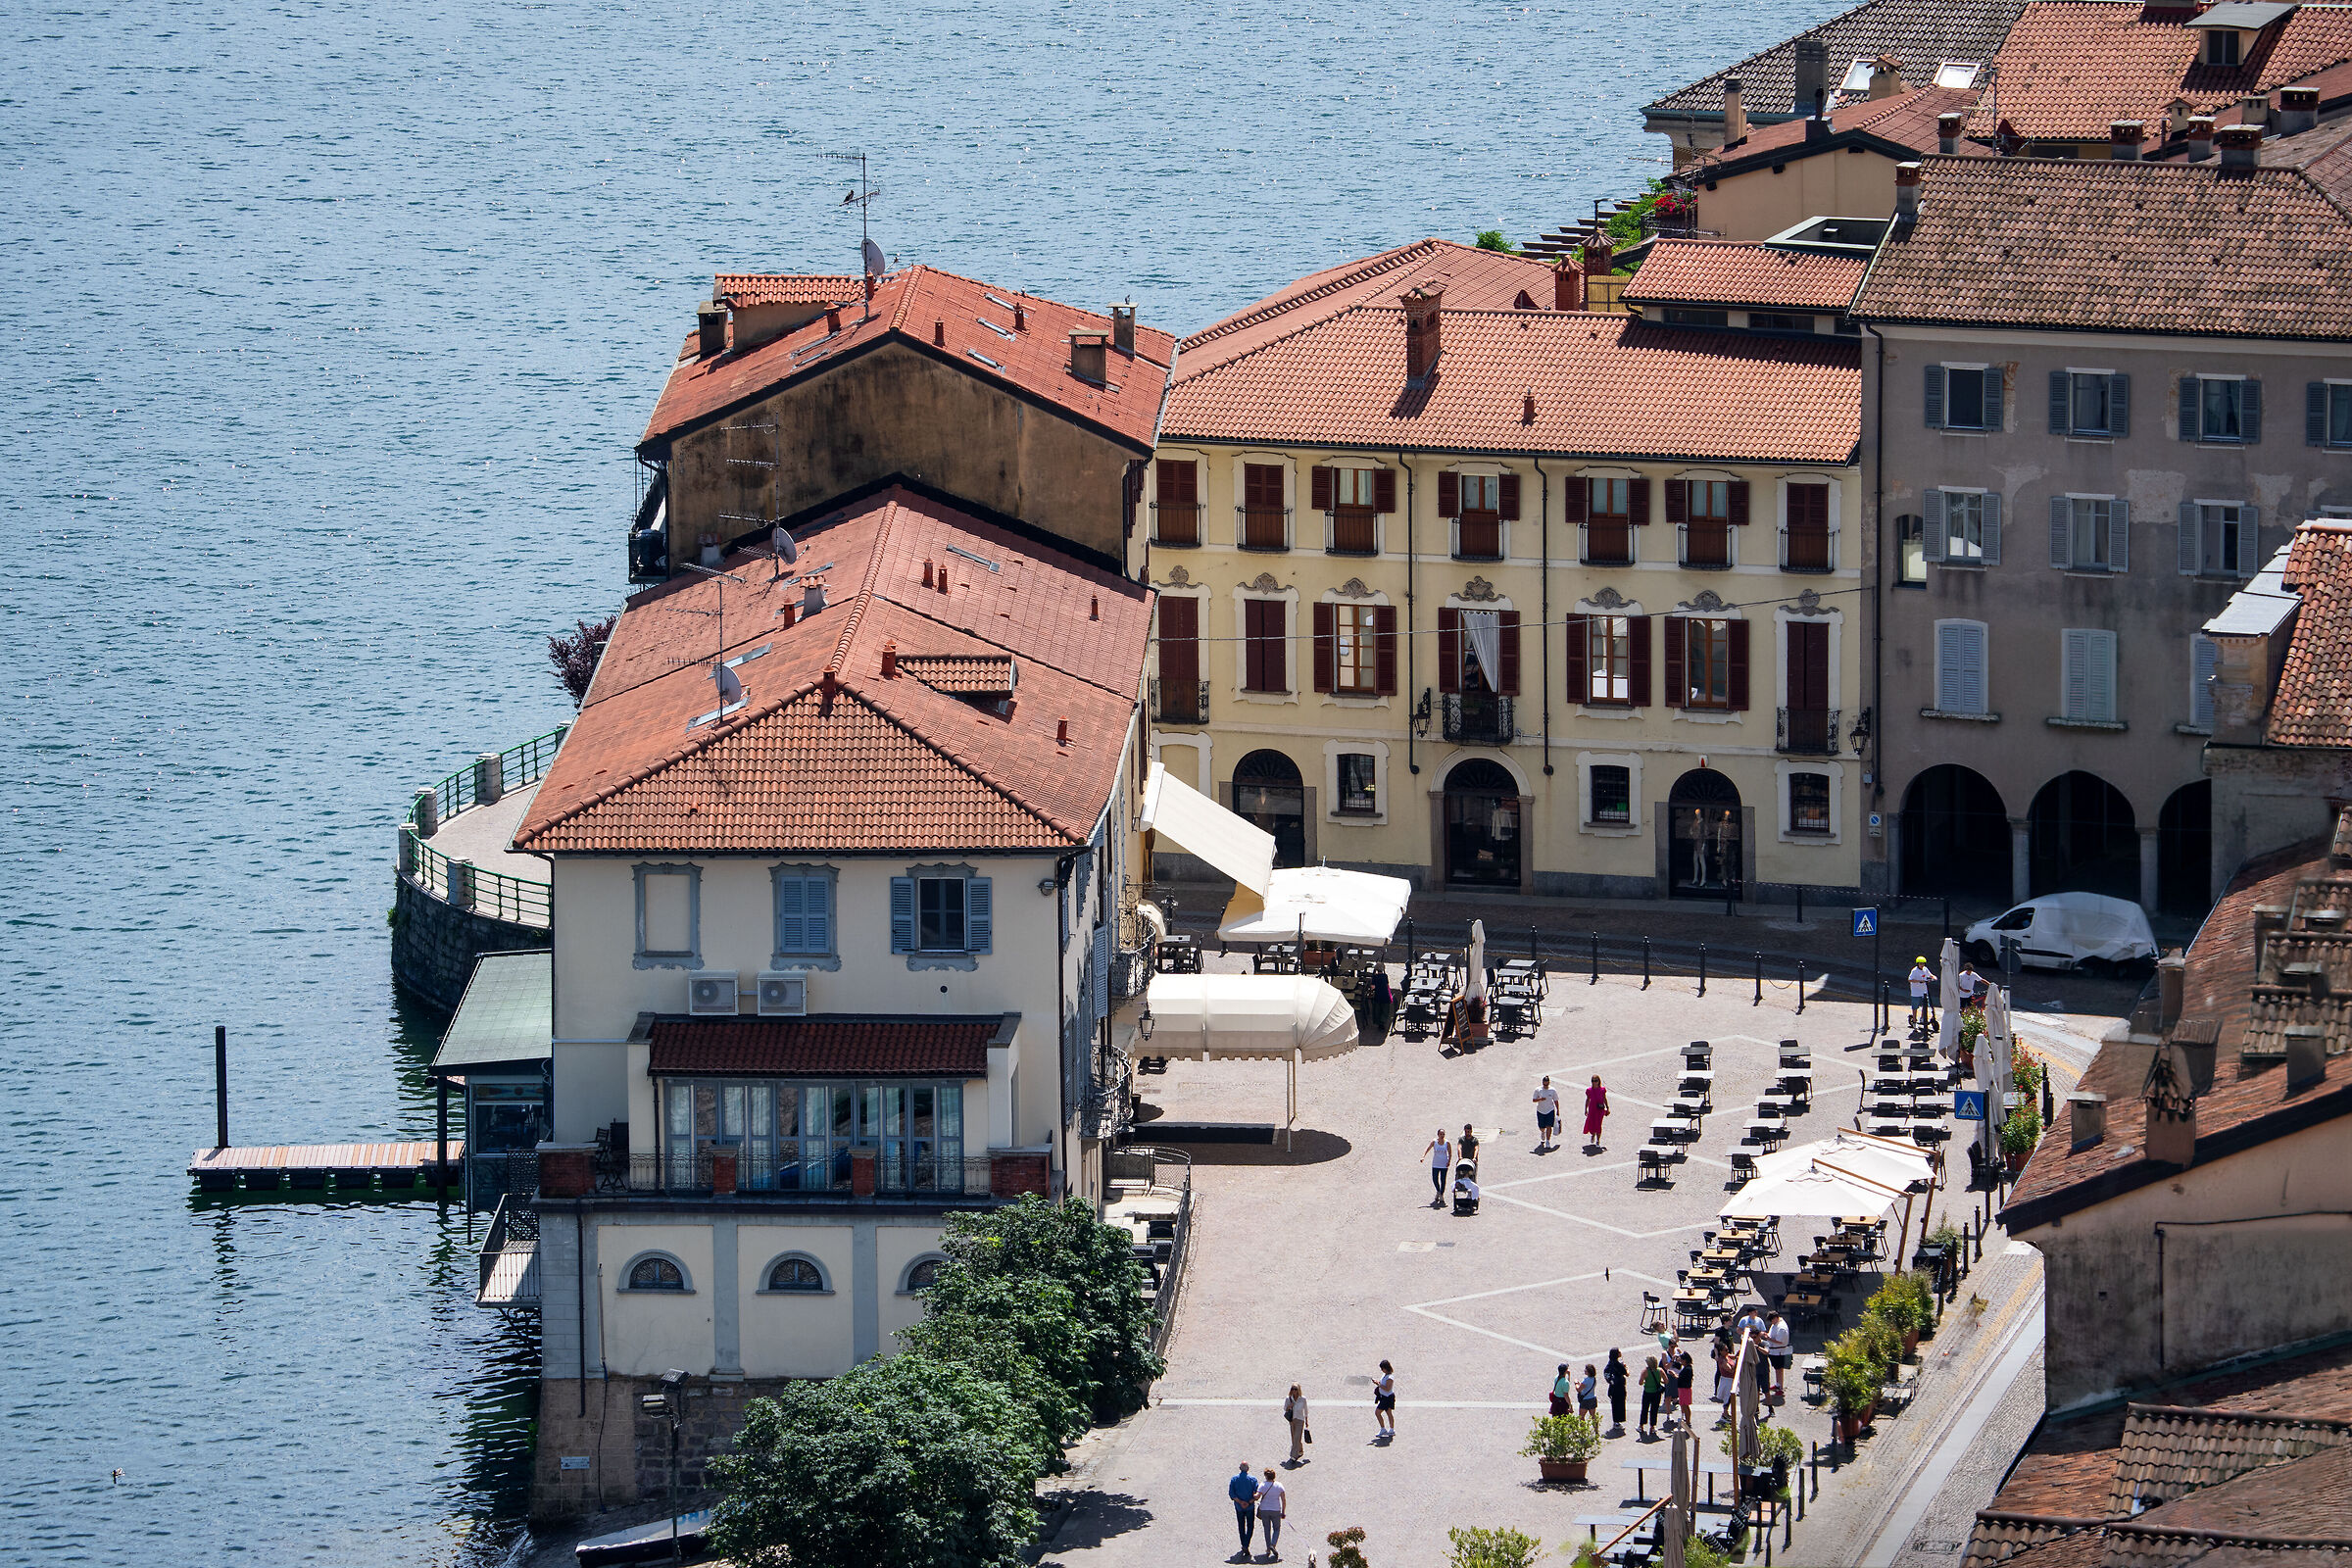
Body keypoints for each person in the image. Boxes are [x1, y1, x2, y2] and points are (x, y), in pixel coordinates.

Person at [1254, 1467, 1287, 1559]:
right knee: (1276, 1528)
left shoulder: (1263, 1485)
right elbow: (1283, 1500)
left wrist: (1252, 1494)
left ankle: (1268, 1549)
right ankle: (1273, 1544)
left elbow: (1257, 1497)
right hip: (1276, 1509)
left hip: (1264, 1509)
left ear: (1266, 1476)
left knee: (1267, 1529)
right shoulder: (1279, 1485)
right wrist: (1283, 1512)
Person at [1228, 1461, 1259, 1556]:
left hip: (1239, 1507)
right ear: (1248, 1469)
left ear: (1239, 1468)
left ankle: (1243, 1544)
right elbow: (1257, 1493)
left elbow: (1231, 1494)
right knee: (1250, 1526)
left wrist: (1241, 1502)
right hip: (1249, 1507)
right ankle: (1246, 1544)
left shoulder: (1234, 1479)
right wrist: (1248, 1502)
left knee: (1241, 1526)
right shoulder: (1253, 1479)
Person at [1765, 1309, 1793, 1400]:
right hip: (1774, 1351)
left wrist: (1768, 1338)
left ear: (1776, 1318)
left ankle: (1780, 1387)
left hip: (1779, 1352)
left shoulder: (1781, 1328)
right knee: (1777, 1369)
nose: (1771, 1322)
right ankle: (1777, 1384)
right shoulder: (1775, 1324)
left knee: (1779, 1369)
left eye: (1772, 1320)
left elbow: (1780, 1341)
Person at [1422, 1130, 1451, 1207]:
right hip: (1435, 1164)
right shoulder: (1434, 1142)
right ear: (1438, 1134)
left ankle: (1441, 1194)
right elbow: (1428, 1148)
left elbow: (1450, 1152)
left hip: (1443, 1164)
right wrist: (1423, 1156)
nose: (1442, 1135)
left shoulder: (1447, 1143)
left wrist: (1449, 1161)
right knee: (1435, 1179)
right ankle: (1438, 1190)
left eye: (1443, 1134)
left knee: (1443, 1179)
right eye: (1441, 1134)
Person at [1639, 1354, 1665, 1438]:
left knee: (1645, 1409)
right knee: (1654, 1410)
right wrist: (1659, 1381)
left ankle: (1641, 1426)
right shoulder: (1660, 1370)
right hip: (1656, 1393)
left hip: (1647, 1392)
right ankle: (1652, 1426)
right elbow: (1666, 1381)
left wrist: (1646, 1381)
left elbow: (1640, 1382)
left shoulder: (1645, 1371)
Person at [1604, 1348, 1630, 1435]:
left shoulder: (1609, 1365)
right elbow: (1627, 1373)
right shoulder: (1618, 1365)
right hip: (1620, 1387)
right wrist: (1626, 1367)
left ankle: (1616, 1421)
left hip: (1613, 1388)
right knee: (1620, 1404)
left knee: (1614, 1404)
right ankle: (1618, 1421)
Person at [1283, 1384, 1310, 1465]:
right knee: (1294, 1437)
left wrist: (1306, 1420)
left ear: (1299, 1390)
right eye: (1293, 1389)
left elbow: (1306, 1410)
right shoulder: (1288, 1399)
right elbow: (1285, 1408)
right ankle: (1300, 1450)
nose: (1294, 1391)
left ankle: (1293, 1456)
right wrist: (1289, 1406)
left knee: (1297, 1437)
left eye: (1295, 1389)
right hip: (1292, 1420)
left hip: (1300, 1420)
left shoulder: (1302, 1399)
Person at [1583, 1074, 1611, 1152]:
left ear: (1599, 1081)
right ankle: (1593, 1134)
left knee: (1598, 1124)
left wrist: (1607, 1107)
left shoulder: (1602, 1090)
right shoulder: (1589, 1090)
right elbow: (1587, 1100)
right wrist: (1585, 1109)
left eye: (1596, 1081)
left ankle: (1598, 1140)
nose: (1594, 1082)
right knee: (1592, 1123)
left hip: (1600, 1110)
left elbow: (1605, 1098)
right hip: (1592, 1109)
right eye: (1593, 1081)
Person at [1533, 1075, 1560, 1152]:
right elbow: (1534, 1100)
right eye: (1544, 1084)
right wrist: (1540, 1099)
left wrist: (1558, 1109)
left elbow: (1556, 1100)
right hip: (1540, 1110)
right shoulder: (1538, 1090)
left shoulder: (1552, 1090)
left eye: (1547, 1084)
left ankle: (1548, 1141)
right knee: (1541, 1127)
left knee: (1549, 1126)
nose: (1545, 1085)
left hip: (1550, 1110)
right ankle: (1542, 1132)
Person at [1373, 1359, 1396, 1440]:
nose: (1381, 1370)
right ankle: (1391, 1429)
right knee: (1389, 1413)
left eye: (1382, 1368)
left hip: (1387, 1398)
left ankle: (1384, 1429)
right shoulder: (1385, 1375)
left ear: (1386, 1368)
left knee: (1377, 1412)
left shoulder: (1390, 1378)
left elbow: (1387, 1388)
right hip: (1385, 1397)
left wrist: (1378, 1385)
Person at [1909, 956, 1935, 1027]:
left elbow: (1930, 975)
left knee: (1925, 1005)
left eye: (1923, 963)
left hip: (1924, 991)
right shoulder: (1914, 971)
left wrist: (1933, 977)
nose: (1922, 965)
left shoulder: (1925, 969)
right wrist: (1920, 981)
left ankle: (1922, 1018)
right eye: (1920, 964)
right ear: (1918, 964)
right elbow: (1910, 979)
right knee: (1915, 1007)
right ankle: (1914, 1021)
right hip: (1915, 992)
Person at [1674, 1349, 1695, 1431]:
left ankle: (1688, 1421)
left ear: (1685, 1360)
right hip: (1683, 1389)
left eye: (1681, 1360)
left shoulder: (1688, 1369)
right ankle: (1686, 1420)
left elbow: (1681, 1378)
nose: (1681, 1362)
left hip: (1685, 1389)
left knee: (1685, 1406)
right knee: (1683, 1405)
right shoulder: (1686, 1368)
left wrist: (1674, 1375)